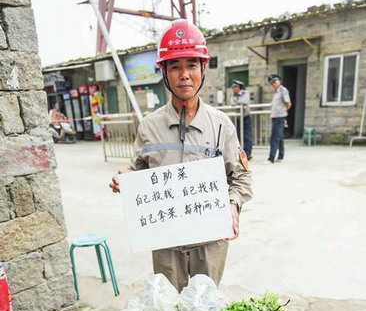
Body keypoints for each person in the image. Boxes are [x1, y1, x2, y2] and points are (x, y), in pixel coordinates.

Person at [109, 19, 252, 292]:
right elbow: (138, 171)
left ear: (203, 68)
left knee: (205, 310)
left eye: (192, 65)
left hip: (210, 241)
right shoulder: (149, 126)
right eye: (175, 66)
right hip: (166, 242)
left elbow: (241, 176)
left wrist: (233, 206)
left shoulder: (221, 125)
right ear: (163, 71)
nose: (184, 74)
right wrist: (125, 181)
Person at [265, 74, 291, 164]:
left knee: (274, 137)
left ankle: (271, 158)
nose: (273, 84)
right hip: (276, 117)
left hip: (279, 117)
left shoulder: (283, 90)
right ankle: (281, 155)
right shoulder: (276, 92)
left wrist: (283, 114)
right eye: (272, 83)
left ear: (279, 81)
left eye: (275, 82)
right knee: (280, 137)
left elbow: (288, 103)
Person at [230, 80, 253, 160]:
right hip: (238, 118)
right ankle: (241, 153)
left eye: (235, 87)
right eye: (233, 87)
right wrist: (241, 105)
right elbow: (232, 103)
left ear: (239, 87)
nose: (233, 89)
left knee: (247, 136)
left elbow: (244, 100)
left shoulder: (245, 93)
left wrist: (239, 103)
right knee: (239, 135)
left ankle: (248, 154)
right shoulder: (233, 95)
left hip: (246, 117)